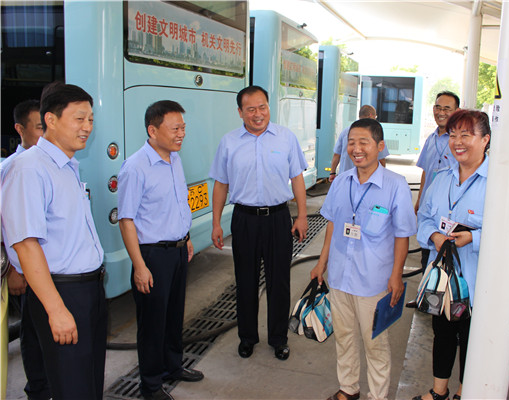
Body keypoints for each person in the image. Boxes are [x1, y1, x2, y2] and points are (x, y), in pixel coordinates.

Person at [1, 81, 106, 399]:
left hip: (88, 290)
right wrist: (56, 309)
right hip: (61, 291)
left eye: (90, 119)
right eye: (79, 119)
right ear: (51, 119)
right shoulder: (29, 169)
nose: (87, 127)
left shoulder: (67, 166)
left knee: (89, 383)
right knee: (72, 387)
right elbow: (26, 244)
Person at [311, 118, 416, 400]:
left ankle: (378, 396)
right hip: (340, 276)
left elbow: (402, 235)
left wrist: (396, 276)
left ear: (380, 147)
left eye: (363, 143)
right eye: (351, 143)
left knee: (375, 343)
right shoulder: (341, 182)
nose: (356, 149)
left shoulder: (396, 185)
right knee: (344, 337)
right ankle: (349, 389)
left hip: (374, 280)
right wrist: (322, 263)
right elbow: (332, 224)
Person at [209, 85, 308, 361]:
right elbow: (221, 184)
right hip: (244, 220)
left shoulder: (286, 138)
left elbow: (297, 178)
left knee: (280, 282)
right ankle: (247, 338)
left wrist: (301, 216)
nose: (257, 114)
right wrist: (216, 223)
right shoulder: (229, 142)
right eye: (250, 109)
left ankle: (278, 339)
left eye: (262, 107)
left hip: (278, 219)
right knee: (246, 282)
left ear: (268, 107)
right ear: (240, 112)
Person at [118, 100, 203, 400]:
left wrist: (186, 236)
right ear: (152, 131)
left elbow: (178, 203)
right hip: (153, 255)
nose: (181, 134)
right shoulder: (135, 167)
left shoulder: (174, 159)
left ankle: (173, 367)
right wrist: (140, 266)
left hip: (177, 251)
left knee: (173, 316)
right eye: (175, 128)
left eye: (183, 128)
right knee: (152, 324)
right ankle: (151, 385)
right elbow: (126, 220)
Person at [414, 110, 491, 400]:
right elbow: (424, 218)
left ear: (484, 140)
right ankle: (439, 391)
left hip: (478, 281)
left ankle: (464, 392)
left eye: (466, 135)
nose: (457, 142)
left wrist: (474, 237)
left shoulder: (497, 183)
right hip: (442, 279)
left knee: (472, 339)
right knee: (442, 332)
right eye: (453, 135)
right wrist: (434, 236)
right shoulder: (442, 178)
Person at [0, 99, 49, 400]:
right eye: (40, 127)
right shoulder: (11, 168)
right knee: (32, 334)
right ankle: (38, 389)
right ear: (20, 129)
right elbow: (5, 225)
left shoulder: (51, 164)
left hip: (47, 266)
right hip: (23, 269)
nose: (46, 133)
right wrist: (12, 270)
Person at [414, 91, 460, 271]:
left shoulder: (458, 142)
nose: (441, 112)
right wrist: (420, 199)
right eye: (438, 107)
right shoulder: (431, 139)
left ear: (456, 111)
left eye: (447, 109)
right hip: (428, 208)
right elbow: (426, 171)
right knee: (426, 257)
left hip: (448, 211)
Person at [329, 105, 389, 182]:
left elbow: (337, 155)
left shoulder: (346, 131)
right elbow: (381, 159)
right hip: (366, 179)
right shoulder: (375, 133)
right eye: (375, 116)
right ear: (371, 115)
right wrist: (382, 177)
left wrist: (332, 172)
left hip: (345, 178)